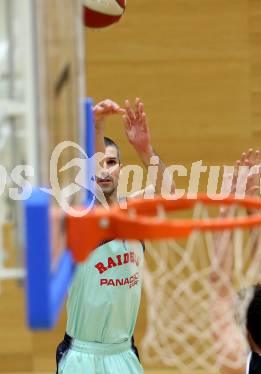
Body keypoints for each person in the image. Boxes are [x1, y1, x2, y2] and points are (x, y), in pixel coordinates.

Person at [56, 98, 175, 374]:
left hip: (123, 354)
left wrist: (144, 149)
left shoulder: (133, 211)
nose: (105, 169)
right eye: (100, 162)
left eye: (112, 162)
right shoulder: (84, 213)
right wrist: (97, 126)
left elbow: (168, 195)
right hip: (82, 356)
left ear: (121, 168)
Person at [211, 149, 261, 374]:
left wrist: (227, 211)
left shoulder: (239, 366)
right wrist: (252, 204)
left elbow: (219, 285)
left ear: (244, 329)